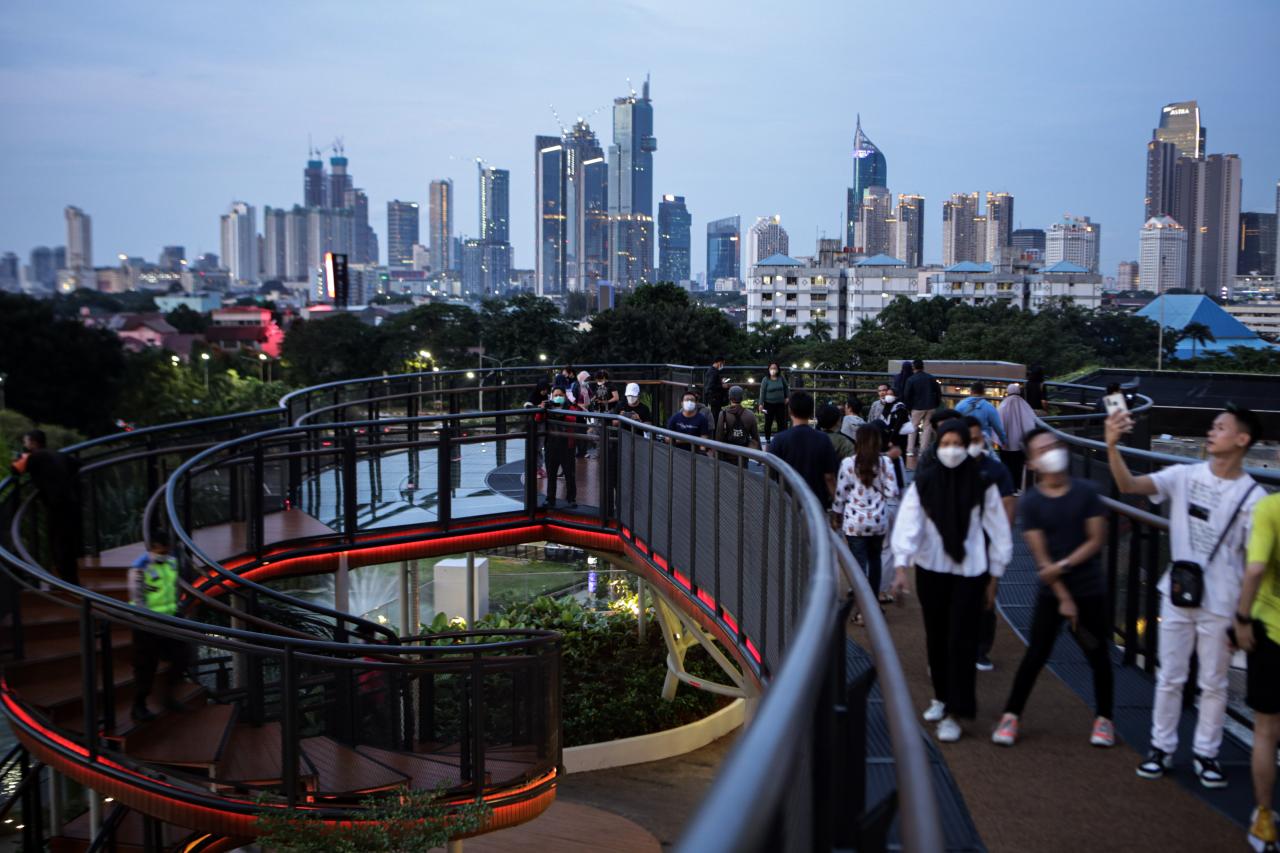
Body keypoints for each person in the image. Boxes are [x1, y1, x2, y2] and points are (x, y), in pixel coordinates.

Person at [1105, 405, 1264, 788]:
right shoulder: (1184, 475)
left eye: (1221, 428)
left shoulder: (1254, 498)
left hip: (1222, 602)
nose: (1212, 432)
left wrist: (1242, 616)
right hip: (1176, 593)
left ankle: (1206, 754)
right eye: (1212, 427)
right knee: (1170, 675)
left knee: (1214, 682)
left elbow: (1252, 564)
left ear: (1242, 439)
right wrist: (1112, 447)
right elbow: (1129, 486)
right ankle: (1161, 747)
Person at [889, 419, 1012, 743]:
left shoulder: (982, 484)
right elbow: (908, 524)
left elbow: (999, 531)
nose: (952, 450)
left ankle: (957, 711)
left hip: (970, 572)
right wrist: (901, 566)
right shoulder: (926, 483)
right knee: (936, 638)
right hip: (932, 569)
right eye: (945, 444)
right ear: (937, 446)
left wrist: (995, 576)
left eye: (958, 444)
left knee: (961, 641)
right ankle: (941, 698)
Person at [991, 427, 1115, 749]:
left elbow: (1096, 540)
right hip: (1052, 593)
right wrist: (1063, 597)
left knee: (1098, 654)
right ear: (1031, 463)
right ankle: (1011, 715)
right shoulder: (1031, 502)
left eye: (1053, 446)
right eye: (1042, 450)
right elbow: (1040, 557)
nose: (1051, 452)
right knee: (1035, 654)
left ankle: (1104, 719)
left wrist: (1062, 569)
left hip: (1090, 589)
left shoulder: (1088, 492)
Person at [1239, 483, 1280, 852]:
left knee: (1266, 730)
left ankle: (1265, 818)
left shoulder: (1270, 507)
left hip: (1270, 631)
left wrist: (1241, 618)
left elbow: (1254, 570)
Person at [965, 415, 1016, 672]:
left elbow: (1008, 505)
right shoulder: (948, 465)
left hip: (985, 544)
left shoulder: (995, 470)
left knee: (986, 598)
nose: (973, 444)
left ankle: (980, 650)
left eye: (977, 439)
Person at [832, 425, 899, 610]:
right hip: (878, 521)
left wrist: (837, 515)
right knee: (875, 561)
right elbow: (892, 491)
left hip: (854, 524)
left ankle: (863, 609)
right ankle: (874, 603)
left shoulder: (848, 463)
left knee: (858, 566)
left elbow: (841, 494)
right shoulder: (885, 463)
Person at [128, 539, 191, 721]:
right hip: (146, 624)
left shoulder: (171, 562)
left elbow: (174, 587)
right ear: (153, 547)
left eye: (166, 548)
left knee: (182, 657)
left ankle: (168, 696)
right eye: (160, 547)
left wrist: (178, 609)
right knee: (145, 666)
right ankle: (138, 705)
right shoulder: (140, 566)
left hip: (170, 620)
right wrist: (146, 619)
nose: (163, 550)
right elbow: (137, 598)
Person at [9, 429, 82, 584]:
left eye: (26, 441)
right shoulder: (58, 454)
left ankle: (66, 582)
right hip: (72, 501)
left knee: (58, 542)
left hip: (56, 504)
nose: (25, 445)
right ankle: (72, 579)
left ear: (33, 443)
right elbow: (77, 464)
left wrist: (20, 458)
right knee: (68, 542)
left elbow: (15, 469)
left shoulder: (33, 456)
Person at [767, 392, 838, 509]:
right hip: (816, 503)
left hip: (787, 501)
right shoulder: (823, 439)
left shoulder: (780, 439)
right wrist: (838, 506)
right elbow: (829, 477)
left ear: (790, 411)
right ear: (811, 412)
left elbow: (770, 474)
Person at [538, 388, 581, 508]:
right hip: (551, 444)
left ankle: (571, 498)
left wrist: (560, 413)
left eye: (560, 395)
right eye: (555, 395)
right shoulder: (548, 405)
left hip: (567, 445)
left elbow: (573, 419)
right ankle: (550, 498)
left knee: (569, 474)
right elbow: (537, 418)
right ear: (552, 396)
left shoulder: (570, 406)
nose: (558, 397)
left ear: (565, 396)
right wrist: (542, 408)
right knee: (551, 474)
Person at [998, 383, 1038, 492]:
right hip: (1021, 444)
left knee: (1007, 466)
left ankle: (1010, 487)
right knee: (1019, 466)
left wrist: (1000, 440)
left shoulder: (1003, 405)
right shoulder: (1024, 405)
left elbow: (998, 424)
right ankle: (1020, 487)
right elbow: (1031, 421)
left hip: (1006, 444)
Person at [903, 359, 942, 460]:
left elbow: (907, 395)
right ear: (923, 367)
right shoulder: (931, 378)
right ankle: (923, 451)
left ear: (913, 368)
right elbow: (938, 392)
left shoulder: (911, 379)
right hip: (930, 406)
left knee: (913, 428)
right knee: (927, 428)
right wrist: (936, 403)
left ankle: (910, 450)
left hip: (917, 407)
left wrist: (908, 407)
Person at [955, 383, 1008, 450]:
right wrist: (1004, 441)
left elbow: (955, 425)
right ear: (983, 392)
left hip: (965, 442)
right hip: (983, 443)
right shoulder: (989, 407)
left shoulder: (960, 405)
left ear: (971, 391)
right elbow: (998, 427)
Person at [714, 385, 760, 453]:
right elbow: (755, 437)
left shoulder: (723, 414)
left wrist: (717, 454)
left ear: (729, 397)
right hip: (744, 452)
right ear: (742, 398)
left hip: (727, 452)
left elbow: (719, 436)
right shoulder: (750, 414)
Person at [757, 361, 789, 442]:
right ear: (768, 369)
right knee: (768, 422)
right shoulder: (765, 379)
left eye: (775, 368)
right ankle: (767, 439)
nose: (773, 370)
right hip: (769, 404)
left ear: (778, 369)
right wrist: (761, 404)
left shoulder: (781, 377)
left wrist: (787, 397)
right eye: (771, 368)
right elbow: (762, 392)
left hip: (781, 404)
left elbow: (786, 387)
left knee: (781, 423)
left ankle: (781, 439)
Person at [703, 356, 730, 427]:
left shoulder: (711, 371)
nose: (723, 366)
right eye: (723, 364)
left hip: (712, 399)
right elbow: (711, 386)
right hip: (714, 399)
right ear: (719, 362)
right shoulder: (713, 372)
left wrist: (721, 382)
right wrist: (722, 386)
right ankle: (714, 435)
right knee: (715, 418)